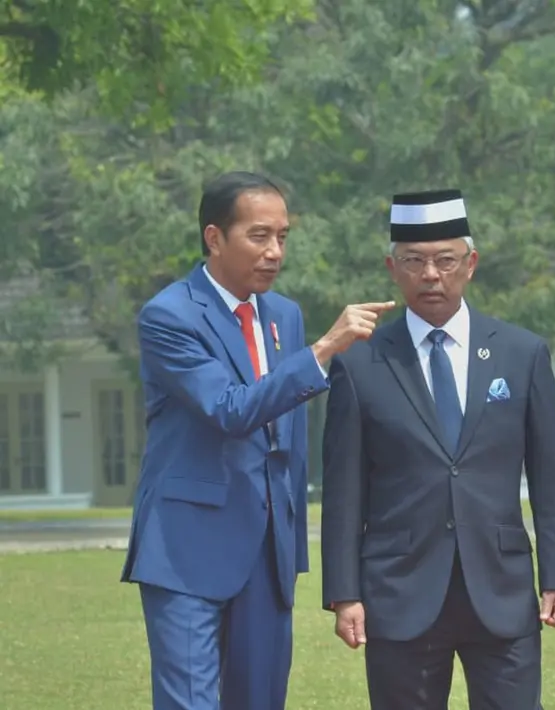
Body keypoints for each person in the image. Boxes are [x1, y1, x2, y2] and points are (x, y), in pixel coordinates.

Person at [122, 170, 395, 710]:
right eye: (259, 235)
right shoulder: (169, 316)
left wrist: (290, 544)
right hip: (187, 549)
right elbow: (230, 410)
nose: (275, 252)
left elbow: (286, 438)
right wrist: (321, 351)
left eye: (284, 237)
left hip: (267, 554)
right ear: (214, 237)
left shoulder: (283, 315)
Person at [319, 189, 555, 710]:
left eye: (445, 260)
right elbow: (344, 489)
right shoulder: (361, 363)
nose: (431, 275)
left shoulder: (520, 353)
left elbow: (552, 476)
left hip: (500, 587)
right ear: (392, 268)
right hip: (401, 589)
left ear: (471, 263)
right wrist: (344, 591)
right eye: (414, 262)